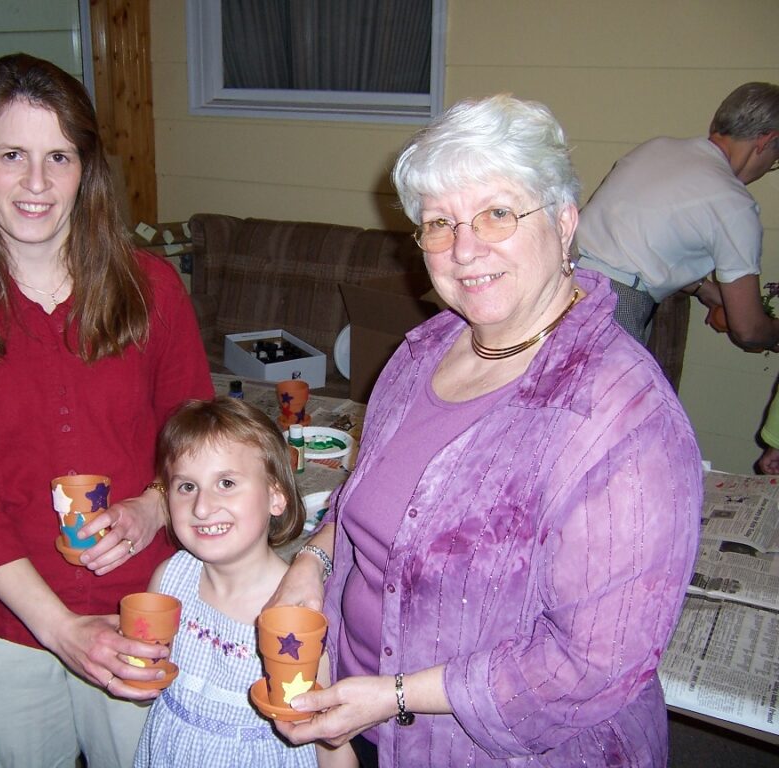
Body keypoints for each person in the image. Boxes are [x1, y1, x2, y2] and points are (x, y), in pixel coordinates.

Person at [266, 94, 703, 767]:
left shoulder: (621, 415)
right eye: (439, 223)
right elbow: (382, 500)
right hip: (354, 718)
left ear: (563, 221)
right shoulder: (423, 352)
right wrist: (313, 560)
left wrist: (395, 696)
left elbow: (590, 665)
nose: (464, 249)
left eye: (498, 213)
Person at [0, 54, 213, 768]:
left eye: (58, 157)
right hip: (1, 625)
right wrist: (60, 628)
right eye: (11, 155)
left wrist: (154, 507)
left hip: (145, 609)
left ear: (85, 171)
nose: (36, 184)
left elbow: (197, 443)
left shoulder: (153, 289)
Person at [133, 396, 353, 768]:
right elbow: (148, 692)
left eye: (227, 482)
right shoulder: (169, 579)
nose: (202, 507)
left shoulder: (301, 609)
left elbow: (332, 742)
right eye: (186, 487)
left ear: (276, 497)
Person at [575, 81, 779, 346]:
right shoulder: (734, 203)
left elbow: (637, 246)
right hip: (610, 307)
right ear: (768, 141)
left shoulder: (657, 148)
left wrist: (705, 290)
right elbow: (749, 330)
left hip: (555, 282)